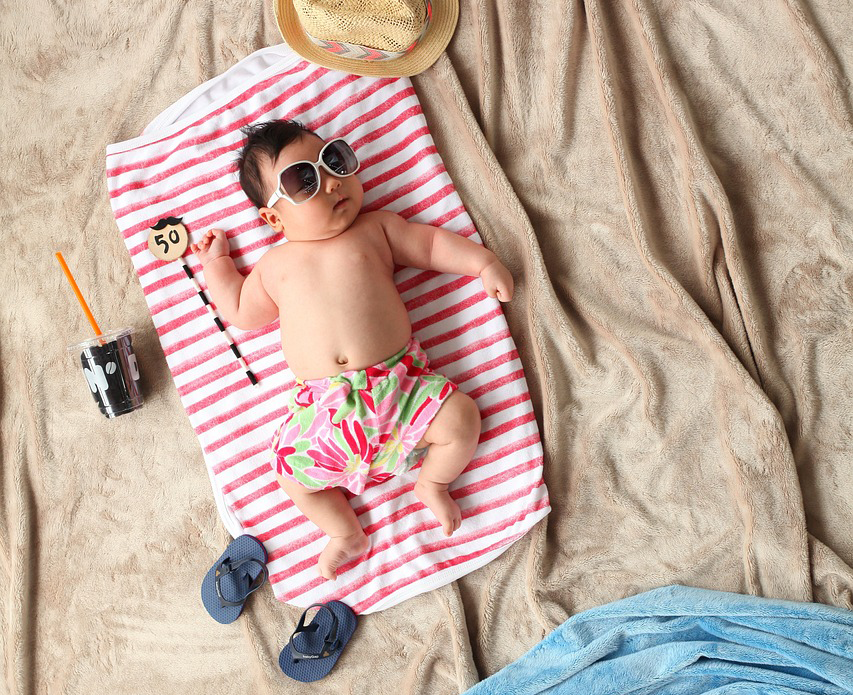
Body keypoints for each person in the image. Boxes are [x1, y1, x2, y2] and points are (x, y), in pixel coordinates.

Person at [190, 119, 514, 580]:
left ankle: (433, 482)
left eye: (334, 161)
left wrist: (482, 262)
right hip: (323, 416)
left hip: (401, 392)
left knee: (463, 418)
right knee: (289, 475)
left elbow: (429, 245)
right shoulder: (273, 266)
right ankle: (345, 532)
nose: (330, 182)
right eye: (303, 181)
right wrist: (217, 263)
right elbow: (241, 311)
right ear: (273, 218)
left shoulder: (376, 230)